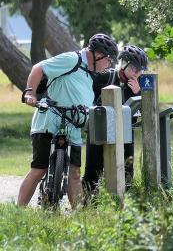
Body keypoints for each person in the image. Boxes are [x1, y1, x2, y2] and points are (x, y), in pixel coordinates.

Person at [17, 33, 118, 208]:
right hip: (49, 121)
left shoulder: (89, 73)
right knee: (38, 169)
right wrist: (31, 93)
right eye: (109, 60)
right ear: (98, 54)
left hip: (73, 127)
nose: (109, 65)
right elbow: (38, 68)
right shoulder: (72, 60)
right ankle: (18, 212)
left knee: (75, 174)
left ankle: (78, 217)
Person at [82, 44, 148, 197]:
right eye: (133, 68)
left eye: (140, 70)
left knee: (127, 171)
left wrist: (138, 92)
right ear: (123, 63)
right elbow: (84, 92)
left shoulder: (142, 82)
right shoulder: (106, 76)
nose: (136, 73)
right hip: (98, 130)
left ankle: (126, 204)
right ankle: (87, 205)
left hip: (125, 132)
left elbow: (149, 112)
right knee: (92, 171)